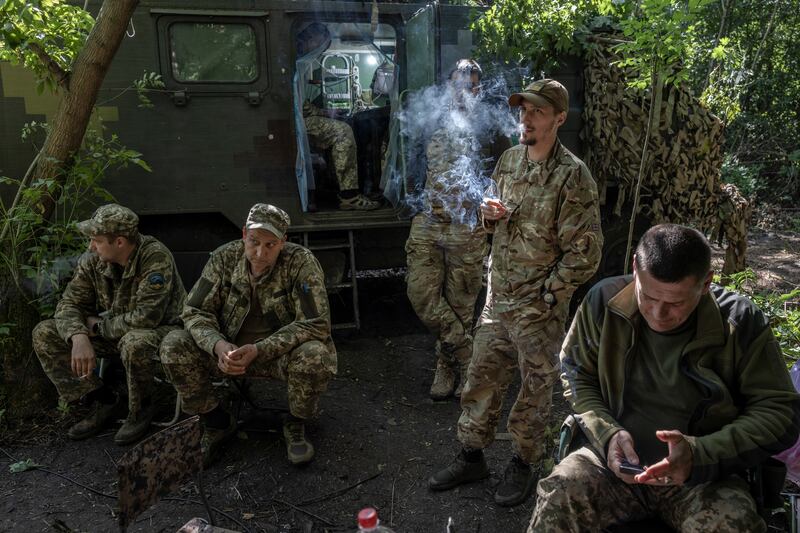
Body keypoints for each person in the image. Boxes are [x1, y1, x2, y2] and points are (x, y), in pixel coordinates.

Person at [529, 224, 800, 532]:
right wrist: (607, 434)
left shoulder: (738, 321)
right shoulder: (604, 301)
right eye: (647, 296)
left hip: (703, 478)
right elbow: (577, 374)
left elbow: (779, 412)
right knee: (559, 492)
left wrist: (699, 454)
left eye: (676, 303)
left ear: (706, 283)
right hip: (612, 464)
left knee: (733, 523)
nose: (658, 314)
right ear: (635, 268)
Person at [428, 79, 603, 507]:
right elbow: (491, 216)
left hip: (538, 310)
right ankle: (472, 457)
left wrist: (548, 296)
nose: (526, 118)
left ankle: (524, 464)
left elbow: (585, 253)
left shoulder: (573, 176)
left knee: (534, 391)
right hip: (497, 300)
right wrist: (487, 214)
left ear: (558, 119)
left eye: (537, 111)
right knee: (480, 380)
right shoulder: (508, 161)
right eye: (523, 110)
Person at [159, 203, 337, 466]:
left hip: (278, 356)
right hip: (226, 354)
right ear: (244, 234)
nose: (260, 253)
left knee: (315, 355)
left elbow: (315, 323)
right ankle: (216, 421)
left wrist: (260, 349)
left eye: (270, 245)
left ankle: (295, 422)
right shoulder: (224, 258)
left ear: (283, 242)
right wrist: (217, 345)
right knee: (173, 344)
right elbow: (194, 311)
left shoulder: (301, 262)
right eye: (254, 241)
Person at [32, 203, 186, 445]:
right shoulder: (93, 260)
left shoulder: (154, 257)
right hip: (116, 331)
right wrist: (78, 336)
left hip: (162, 332)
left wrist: (97, 328)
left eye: (96, 240)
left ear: (120, 242)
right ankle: (104, 400)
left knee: (134, 341)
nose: (90, 246)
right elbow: (69, 303)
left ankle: (142, 408)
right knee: (45, 333)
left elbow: (147, 317)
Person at [405, 59, 500, 401]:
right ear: (449, 86)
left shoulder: (489, 126)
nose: (464, 92)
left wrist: (489, 209)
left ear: (478, 89)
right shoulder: (431, 119)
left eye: (471, 86)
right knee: (421, 294)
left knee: (461, 302)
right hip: (429, 221)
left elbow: (500, 176)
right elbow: (412, 163)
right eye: (459, 85)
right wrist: (413, 201)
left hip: (467, 226)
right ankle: (466, 353)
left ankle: (447, 368)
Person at [297, 22, 379, 211]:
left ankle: (339, 187)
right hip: (294, 122)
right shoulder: (296, 62)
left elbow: (303, 106)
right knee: (342, 131)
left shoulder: (299, 62)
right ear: (310, 39)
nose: (321, 50)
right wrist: (325, 113)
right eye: (319, 44)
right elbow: (298, 107)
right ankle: (349, 196)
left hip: (299, 118)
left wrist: (327, 113)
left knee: (342, 127)